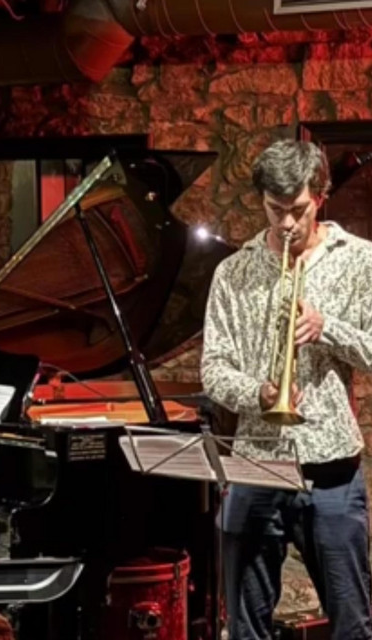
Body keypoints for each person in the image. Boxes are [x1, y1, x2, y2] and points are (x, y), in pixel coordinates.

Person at [201, 139, 372, 640]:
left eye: (297, 209)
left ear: (320, 196)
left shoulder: (360, 261)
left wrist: (328, 328)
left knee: (352, 623)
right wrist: (259, 393)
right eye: (275, 210)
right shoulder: (233, 272)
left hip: (331, 464)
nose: (287, 223)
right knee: (245, 625)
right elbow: (213, 369)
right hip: (256, 461)